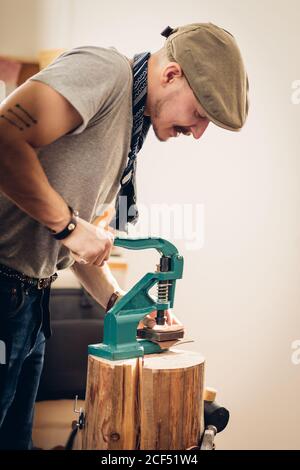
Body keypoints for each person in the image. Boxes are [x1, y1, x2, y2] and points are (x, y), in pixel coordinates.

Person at [0, 22, 249, 449]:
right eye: (201, 112)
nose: (200, 131)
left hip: (30, 303)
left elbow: (78, 246)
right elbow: (4, 139)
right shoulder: (105, 72)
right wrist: (71, 226)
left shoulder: (131, 129)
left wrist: (125, 307)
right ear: (171, 75)